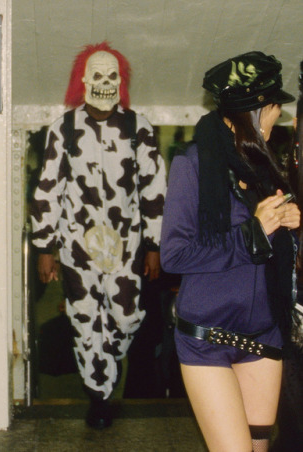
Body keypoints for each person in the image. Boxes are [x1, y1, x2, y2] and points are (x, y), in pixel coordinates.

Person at [161, 51, 300, 452]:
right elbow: (175, 255)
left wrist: (291, 223)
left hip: (262, 333)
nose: (280, 118)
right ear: (255, 111)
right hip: (206, 338)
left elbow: (275, 248)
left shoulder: (265, 164)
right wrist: (252, 232)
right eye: (275, 109)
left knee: (259, 448)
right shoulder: (192, 164)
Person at [31, 42, 167, 429]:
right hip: (77, 248)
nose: (105, 83)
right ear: (83, 80)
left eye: (112, 76)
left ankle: (108, 361)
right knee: (84, 319)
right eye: (98, 76)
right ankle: (100, 395)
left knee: (124, 320)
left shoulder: (137, 128)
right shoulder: (64, 128)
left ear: (120, 82)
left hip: (126, 246)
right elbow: (48, 189)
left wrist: (154, 245)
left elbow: (155, 188)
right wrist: (45, 248)